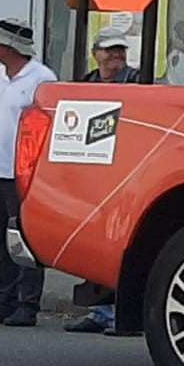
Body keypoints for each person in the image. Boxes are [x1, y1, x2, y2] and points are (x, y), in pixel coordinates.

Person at [0, 19, 55, 328]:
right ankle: (4, 300)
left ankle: (27, 303)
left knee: (25, 241)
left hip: (22, 175)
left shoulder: (41, 79)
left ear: (11, 47)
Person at [64, 26, 139, 334]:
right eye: (109, 49)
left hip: (127, 173)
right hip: (93, 175)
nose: (116, 54)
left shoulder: (138, 81)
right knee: (92, 242)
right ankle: (99, 311)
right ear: (96, 54)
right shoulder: (86, 84)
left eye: (120, 49)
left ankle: (121, 312)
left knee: (120, 244)